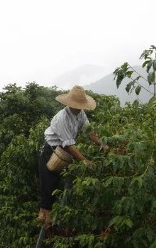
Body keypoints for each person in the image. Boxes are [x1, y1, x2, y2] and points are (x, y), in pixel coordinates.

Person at [38, 85, 108, 226]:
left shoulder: (80, 114)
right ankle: (44, 218)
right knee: (49, 185)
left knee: (58, 184)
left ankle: (54, 218)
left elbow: (89, 132)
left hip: (62, 151)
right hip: (50, 151)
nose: (79, 107)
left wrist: (101, 144)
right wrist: (85, 160)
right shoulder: (61, 118)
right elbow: (68, 145)